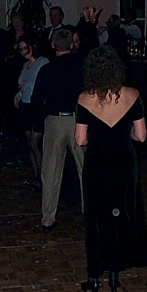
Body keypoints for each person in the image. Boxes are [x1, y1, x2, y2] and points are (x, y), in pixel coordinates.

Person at [75, 45, 147, 292]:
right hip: (123, 161)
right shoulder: (132, 94)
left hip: (98, 161)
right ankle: (115, 275)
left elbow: (80, 140)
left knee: (96, 217)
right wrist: (124, 135)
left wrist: (98, 138)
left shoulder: (84, 98)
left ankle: (94, 276)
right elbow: (141, 136)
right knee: (120, 213)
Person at [29, 29, 85, 233]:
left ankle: (48, 218)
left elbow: (36, 100)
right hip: (78, 120)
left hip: (54, 120)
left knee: (51, 171)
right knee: (85, 169)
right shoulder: (81, 67)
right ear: (71, 44)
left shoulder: (47, 70)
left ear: (53, 46)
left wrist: (41, 119)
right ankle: (90, 213)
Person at [14, 35, 49, 189]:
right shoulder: (25, 65)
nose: (23, 52)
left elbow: (39, 84)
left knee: (35, 142)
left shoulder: (42, 62)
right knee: (30, 143)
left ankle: (43, 176)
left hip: (38, 106)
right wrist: (18, 95)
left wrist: (25, 88)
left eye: (25, 48)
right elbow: (21, 85)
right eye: (21, 49)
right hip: (26, 106)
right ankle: (36, 176)